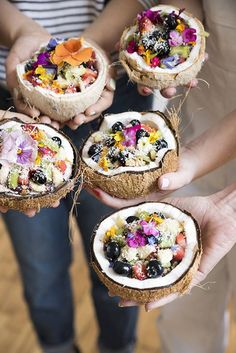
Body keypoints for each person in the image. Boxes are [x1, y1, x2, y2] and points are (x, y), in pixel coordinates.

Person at [0, 1, 157, 353]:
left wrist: (94, 45)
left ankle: (117, 347)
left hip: (113, 98)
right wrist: (20, 31)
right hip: (16, 103)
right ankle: (57, 347)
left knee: (117, 263)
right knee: (41, 271)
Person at [90, 1, 236, 353]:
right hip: (199, 117)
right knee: (186, 325)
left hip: (199, 156)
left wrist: (228, 205)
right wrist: (171, 34)